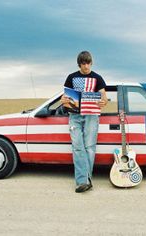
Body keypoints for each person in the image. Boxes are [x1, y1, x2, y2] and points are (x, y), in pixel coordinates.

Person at [61, 51, 108, 193]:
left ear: (91, 63)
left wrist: (103, 102)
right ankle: (83, 181)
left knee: (89, 147)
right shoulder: (71, 77)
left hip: (91, 116)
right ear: (79, 64)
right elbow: (65, 97)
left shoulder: (97, 78)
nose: (86, 66)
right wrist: (64, 101)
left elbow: (104, 98)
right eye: (83, 63)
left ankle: (85, 180)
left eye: (88, 63)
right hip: (74, 115)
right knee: (77, 147)